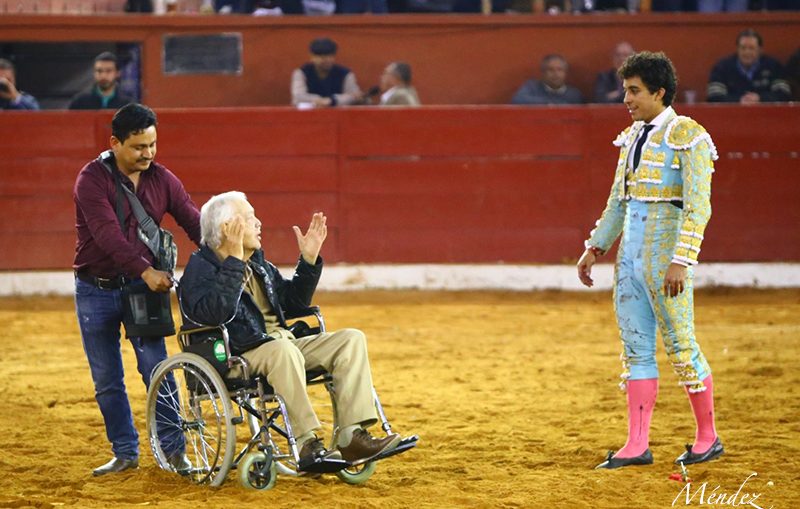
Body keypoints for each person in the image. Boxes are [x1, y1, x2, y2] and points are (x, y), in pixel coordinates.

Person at [179, 192, 402, 467]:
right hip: (237, 355)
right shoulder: (200, 270)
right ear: (228, 228)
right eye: (250, 218)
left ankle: (351, 437)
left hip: (281, 345)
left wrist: (308, 260)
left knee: (351, 340)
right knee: (283, 350)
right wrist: (234, 264)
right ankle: (307, 443)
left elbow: (293, 303)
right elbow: (217, 313)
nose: (259, 223)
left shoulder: (257, 263)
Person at [577, 51, 723, 469]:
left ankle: (707, 437)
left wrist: (682, 260)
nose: (626, 98)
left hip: (665, 262)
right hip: (629, 264)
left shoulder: (688, 136)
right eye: (626, 90)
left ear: (659, 92)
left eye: (634, 91)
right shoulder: (630, 139)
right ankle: (636, 444)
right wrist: (595, 247)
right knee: (636, 350)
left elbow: (699, 207)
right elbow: (618, 204)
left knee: (681, 345)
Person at [73, 103, 201, 476]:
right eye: (139, 147)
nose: (148, 154)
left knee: (156, 368)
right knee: (107, 379)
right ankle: (126, 452)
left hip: (142, 289)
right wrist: (146, 271)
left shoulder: (163, 179)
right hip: (95, 289)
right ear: (115, 143)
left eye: (152, 145)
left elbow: (193, 221)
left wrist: (221, 256)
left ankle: (175, 452)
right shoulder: (91, 179)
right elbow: (107, 235)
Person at [706, 28, 791, 104]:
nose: (747, 52)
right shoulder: (722, 67)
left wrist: (760, 99)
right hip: (732, 116)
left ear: (760, 50)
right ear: (737, 49)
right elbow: (713, 96)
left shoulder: (773, 66)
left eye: (751, 48)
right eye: (743, 48)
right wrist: (739, 100)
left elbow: (784, 94)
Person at [291, 38, 364, 108]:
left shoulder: (346, 74)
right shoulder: (301, 73)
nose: (326, 60)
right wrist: (319, 100)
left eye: (329, 56)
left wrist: (332, 101)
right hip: (308, 115)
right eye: (320, 56)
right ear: (312, 57)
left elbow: (354, 96)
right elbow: (298, 97)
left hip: (340, 116)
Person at [68, 52, 134, 110]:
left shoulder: (128, 104)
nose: (103, 76)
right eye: (99, 71)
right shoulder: (79, 102)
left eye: (108, 71)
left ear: (117, 73)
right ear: (94, 73)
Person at [511, 54, 583, 105]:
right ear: (543, 73)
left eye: (560, 70)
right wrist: (550, 103)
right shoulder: (531, 87)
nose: (556, 74)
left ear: (565, 73)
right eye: (550, 70)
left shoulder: (574, 94)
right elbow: (517, 100)